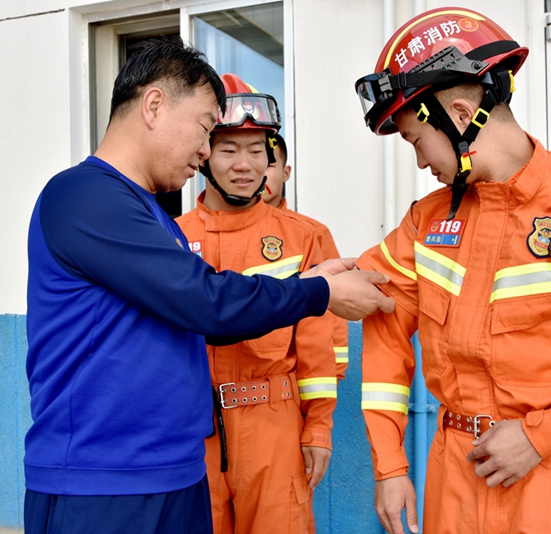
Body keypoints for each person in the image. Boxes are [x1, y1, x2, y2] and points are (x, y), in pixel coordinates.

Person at [23, 40, 394, 534]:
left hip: (172, 470)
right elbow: (205, 302)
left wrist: (307, 282)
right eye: (204, 129)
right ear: (154, 105)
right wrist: (318, 294)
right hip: (103, 481)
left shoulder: (153, 216)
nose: (205, 151)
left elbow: (207, 315)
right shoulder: (84, 196)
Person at [353, 7, 551, 534]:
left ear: (460, 115)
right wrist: (389, 464)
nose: (418, 163)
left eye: (415, 140)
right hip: (453, 475)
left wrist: (541, 436)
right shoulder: (427, 220)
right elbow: (381, 315)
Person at [177, 74, 335, 534]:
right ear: (204, 156)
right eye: (229, 150)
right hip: (191, 430)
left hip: (274, 427)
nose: (244, 165)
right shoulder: (170, 238)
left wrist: (318, 429)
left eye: (257, 150)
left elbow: (319, 349)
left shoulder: (303, 237)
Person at [263, 132, 350, 380]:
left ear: (286, 172)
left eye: (270, 163)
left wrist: (333, 371)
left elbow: (333, 304)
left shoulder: (312, 233)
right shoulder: (193, 232)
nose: (260, 171)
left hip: (292, 382)